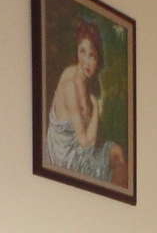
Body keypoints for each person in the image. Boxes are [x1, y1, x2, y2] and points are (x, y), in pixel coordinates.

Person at [45, 19, 128, 187]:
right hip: (67, 156)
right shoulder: (70, 84)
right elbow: (86, 143)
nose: (86, 61)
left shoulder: (87, 82)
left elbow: (91, 135)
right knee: (117, 166)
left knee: (118, 154)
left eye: (92, 56)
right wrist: (96, 109)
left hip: (81, 147)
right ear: (76, 51)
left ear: (98, 60)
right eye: (82, 51)